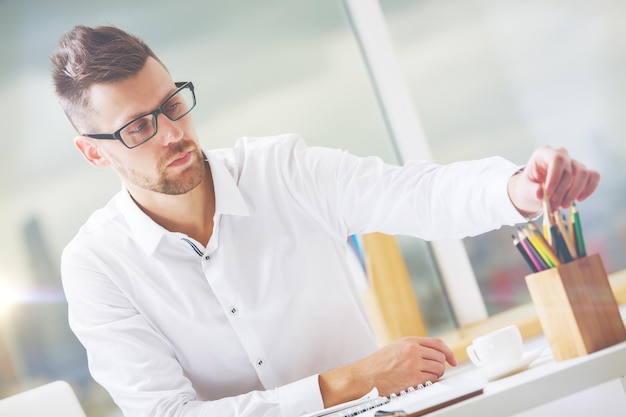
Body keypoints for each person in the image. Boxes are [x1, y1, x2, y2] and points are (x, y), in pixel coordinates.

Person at [50, 25, 600, 417]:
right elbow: (167, 414)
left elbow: (416, 192)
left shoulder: (281, 171)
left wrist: (516, 188)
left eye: (173, 104)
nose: (172, 132)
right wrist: (352, 382)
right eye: (137, 128)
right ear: (94, 154)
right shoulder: (97, 266)